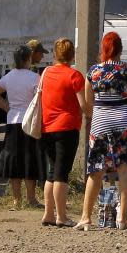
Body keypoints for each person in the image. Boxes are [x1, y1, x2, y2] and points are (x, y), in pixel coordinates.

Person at [75, 32, 127, 231]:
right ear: (120, 49)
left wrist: (96, 117)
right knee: (125, 168)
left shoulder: (94, 71)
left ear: (103, 49)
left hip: (101, 122)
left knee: (96, 170)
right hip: (126, 122)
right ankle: (121, 219)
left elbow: (88, 104)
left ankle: (86, 218)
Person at [0, 45, 43, 208]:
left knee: (14, 160)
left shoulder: (8, 77)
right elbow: (40, 98)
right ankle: (31, 199)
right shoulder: (35, 78)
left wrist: (6, 106)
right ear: (29, 59)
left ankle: (16, 199)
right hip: (28, 123)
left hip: (12, 121)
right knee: (29, 159)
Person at [39, 38, 85, 227]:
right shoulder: (74, 76)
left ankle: (48, 214)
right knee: (61, 173)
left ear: (55, 55)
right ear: (72, 54)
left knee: (52, 172)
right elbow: (83, 104)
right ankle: (61, 216)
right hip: (67, 128)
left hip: (46, 128)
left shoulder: (46, 72)